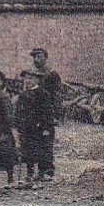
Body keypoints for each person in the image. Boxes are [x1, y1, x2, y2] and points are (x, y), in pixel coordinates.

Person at [28, 47, 64, 180]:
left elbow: (57, 95)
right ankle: (40, 172)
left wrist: (55, 114)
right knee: (36, 142)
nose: (37, 59)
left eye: (40, 56)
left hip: (47, 112)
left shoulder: (52, 74)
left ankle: (48, 170)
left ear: (45, 58)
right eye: (35, 57)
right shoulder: (32, 74)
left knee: (46, 143)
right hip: (34, 113)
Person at [14, 71, 51, 184]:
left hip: (39, 128)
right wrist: (18, 125)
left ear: (37, 80)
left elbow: (47, 112)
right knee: (27, 150)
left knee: (41, 150)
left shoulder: (43, 94)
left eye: (30, 78)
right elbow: (18, 111)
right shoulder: (23, 95)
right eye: (26, 78)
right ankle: (29, 174)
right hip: (26, 127)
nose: (27, 81)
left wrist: (46, 127)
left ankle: (41, 173)